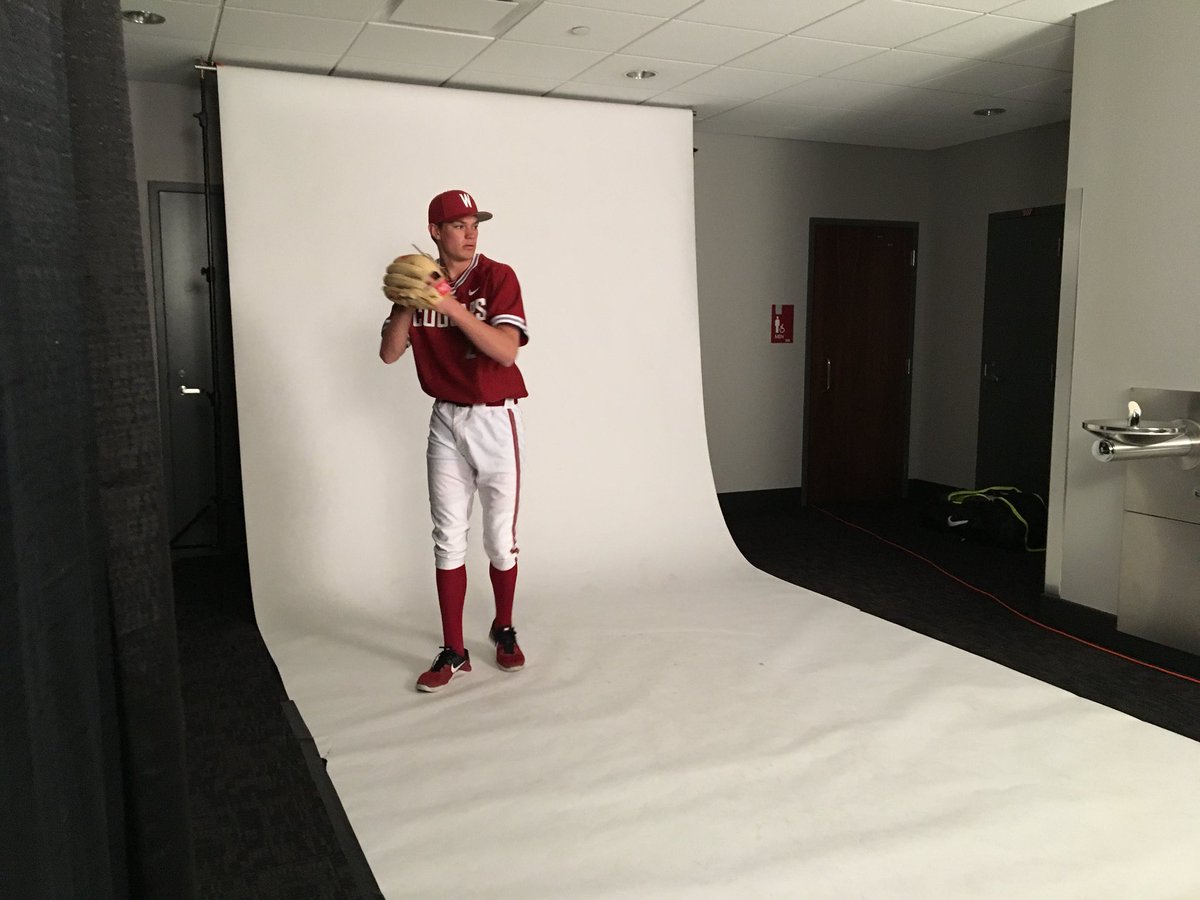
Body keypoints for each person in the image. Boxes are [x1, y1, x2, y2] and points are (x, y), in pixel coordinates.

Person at [379, 189, 529, 693]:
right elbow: (390, 353)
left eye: (474, 223)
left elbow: (506, 352)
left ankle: (503, 627)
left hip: (495, 420)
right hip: (445, 419)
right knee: (448, 537)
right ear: (435, 232)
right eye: (459, 224)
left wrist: (451, 305)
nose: (470, 232)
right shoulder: (421, 280)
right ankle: (454, 650)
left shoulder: (497, 276)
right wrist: (409, 301)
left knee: (498, 541)